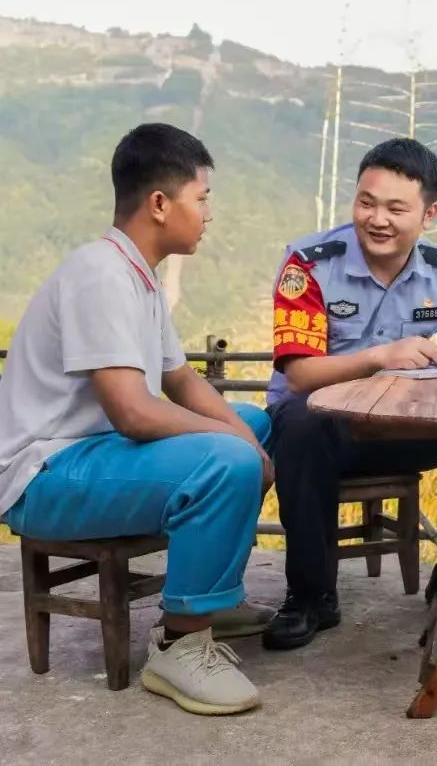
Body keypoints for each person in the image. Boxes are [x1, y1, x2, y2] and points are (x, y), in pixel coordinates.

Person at [0, 123, 275, 715]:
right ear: (159, 203)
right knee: (228, 455)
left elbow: (180, 379)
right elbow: (130, 411)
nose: (208, 215)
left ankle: (211, 598)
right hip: (46, 473)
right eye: (201, 199)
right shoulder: (99, 275)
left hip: (94, 457)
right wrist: (236, 446)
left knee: (252, 423)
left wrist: (245, 434)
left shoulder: (137, 274)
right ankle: (179, 644)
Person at [262, 137, 437, 651]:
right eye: (366, 202)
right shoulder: (308, 264)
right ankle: (310, 596)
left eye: (396, 208)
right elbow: (299, 376)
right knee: (302, 421)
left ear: (428, 213)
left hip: (406, 423)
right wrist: (379, 357)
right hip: (328, 427)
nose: (377, 219)